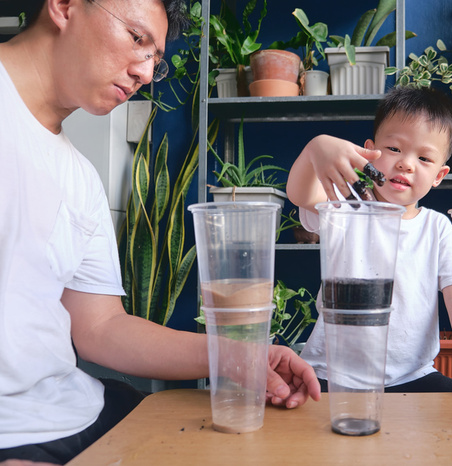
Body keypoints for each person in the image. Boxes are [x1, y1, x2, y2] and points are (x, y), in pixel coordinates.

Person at [0, 1, 320, 464]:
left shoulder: (80, 177)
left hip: (80, 411)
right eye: (137, 38)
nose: (147, 73)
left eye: (156, 57)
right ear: (65, 6)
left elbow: (100, 327)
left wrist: (238, 357)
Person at [287, 86, 452, 402]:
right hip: (329, 374)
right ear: (369, 152)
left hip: (412, 377)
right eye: (393, 148)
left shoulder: (438, 229)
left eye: (423, 157)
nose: (406, 164)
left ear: (439, 175)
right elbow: (301, 194)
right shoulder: (345, 208)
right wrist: (317, 148)